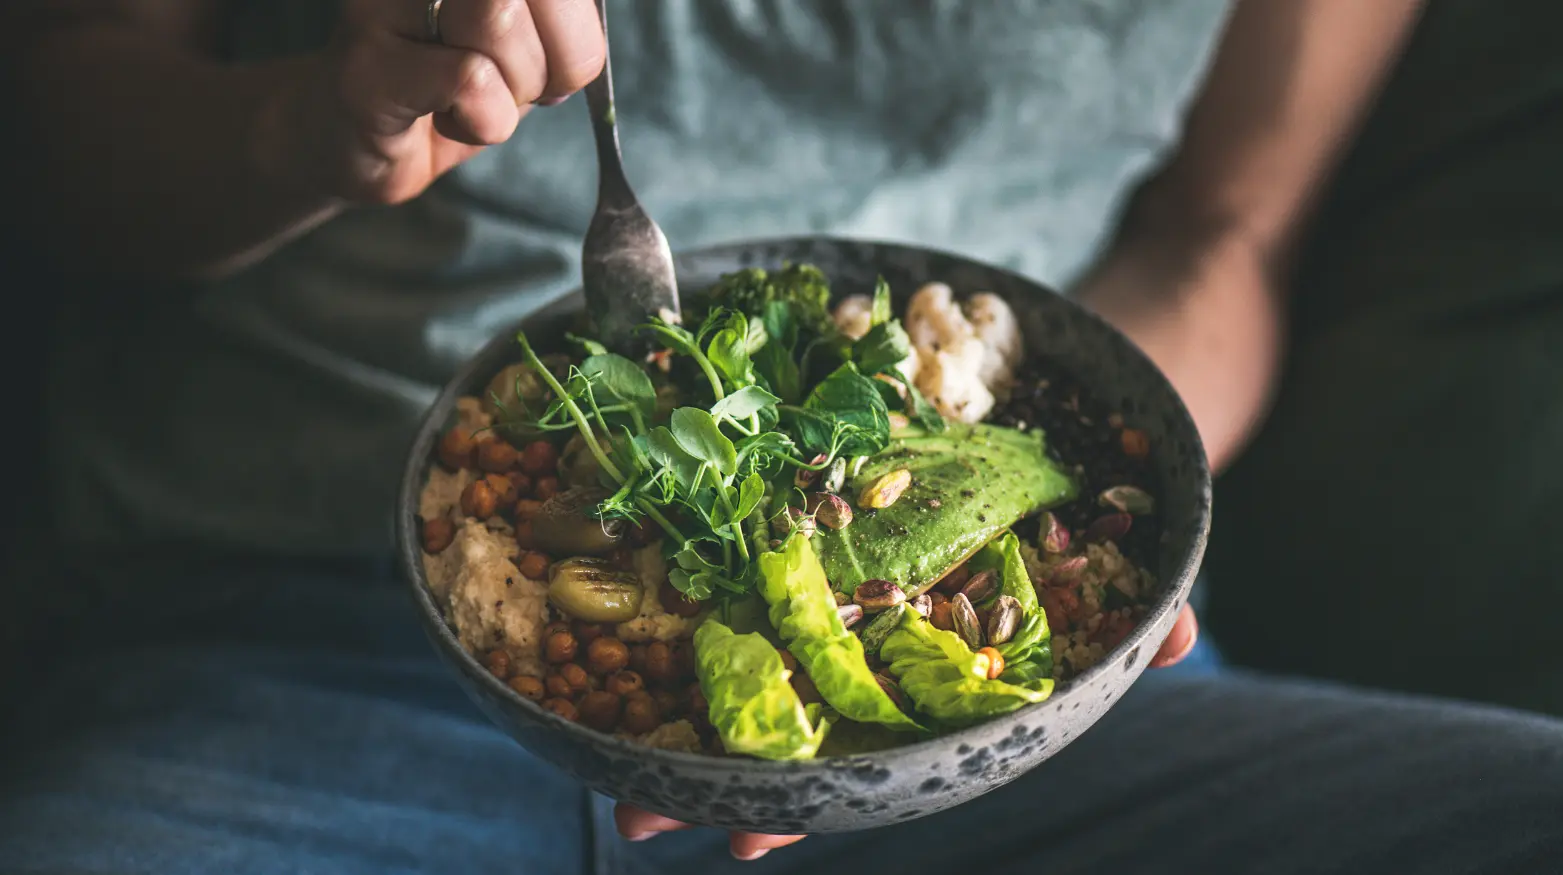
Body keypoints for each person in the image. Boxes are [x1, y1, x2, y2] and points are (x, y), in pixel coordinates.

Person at [3, 0, 1562, 871]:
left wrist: (1069, 554)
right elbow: (61, 144)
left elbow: (1227, 233)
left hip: (1009, 732)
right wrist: (314, 122)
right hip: (295, 643)